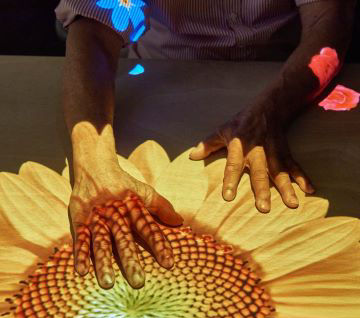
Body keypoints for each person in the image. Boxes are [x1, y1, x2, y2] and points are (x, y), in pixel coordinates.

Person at [54, 0, 356, 290]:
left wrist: (272, 110)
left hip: (287, 77)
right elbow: (95, 27)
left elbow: (327, 22)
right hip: (163, 75)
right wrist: (94, 162)